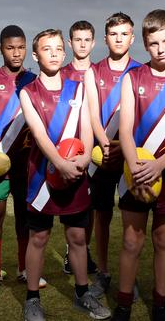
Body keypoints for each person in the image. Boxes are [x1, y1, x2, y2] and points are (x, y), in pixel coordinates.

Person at [114, 10, 165, 321]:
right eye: (153, 43)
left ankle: (160, 305)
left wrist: (159, 165)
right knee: (131, 240)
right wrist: (137, 167)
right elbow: (124, 130)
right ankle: (123, 304)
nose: (161, 48)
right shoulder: (132, 77)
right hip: (134, 172)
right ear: (146, 46)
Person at [20, 29, 110, 321]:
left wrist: (82, 160)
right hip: (42, 177)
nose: (55, 53)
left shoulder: (78, 87)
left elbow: (86, 131)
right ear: (36, 55)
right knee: (39, 237)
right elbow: (39, 135)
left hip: (76, 173)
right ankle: (32, 298)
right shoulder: (28, 92)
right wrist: (60, 163)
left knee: (77, 236)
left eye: (59, 48)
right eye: (47, 49)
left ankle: (82, 293)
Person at [0, 25, 46, 296]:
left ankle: (25, 269)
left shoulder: (35, 80)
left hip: (27, 163)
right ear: (1, 49)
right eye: (10, 47)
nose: (16, 53)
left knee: (26, 218)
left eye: (21, 47)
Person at [83, 12, 141, 298]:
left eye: (124, 33)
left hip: (131, 156)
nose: (119, 38)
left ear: (132, 37)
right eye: (114, 34)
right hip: (102, 156)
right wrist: (106, 143)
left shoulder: (141, 70)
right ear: (106, 38)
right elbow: (93, 114)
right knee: (102, 215)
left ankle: (130, 274)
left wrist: (125, 148)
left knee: (133, 221)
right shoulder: (93, 71)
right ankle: (104, 272)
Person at [61, 20, 98, 274]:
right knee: (70, 205)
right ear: (69, 42)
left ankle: (84, 249)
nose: (82, 44)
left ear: (93, 43)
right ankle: (69, 252)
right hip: (67, 150)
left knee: (90, 204)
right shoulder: (61, 74)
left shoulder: (99, 72)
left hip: (93, 148)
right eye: (78, 39)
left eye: (87, 39)